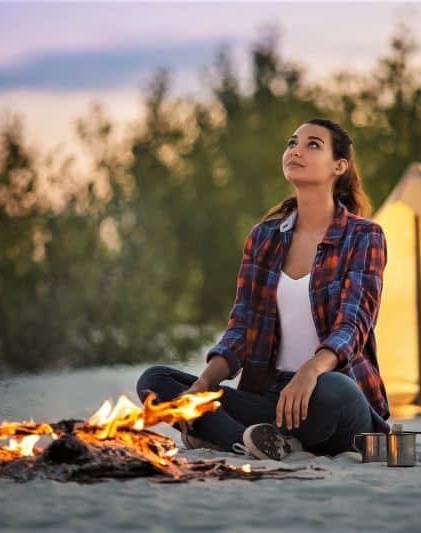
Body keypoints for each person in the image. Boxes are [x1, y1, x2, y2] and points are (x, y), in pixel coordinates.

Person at [136, 118, 391, 461]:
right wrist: (204, 384)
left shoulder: (364, 236)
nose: (295, 151)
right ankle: (248, 440)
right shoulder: (264, 237)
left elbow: (353, 326)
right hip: (270, 401)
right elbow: (241, 327)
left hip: (332, 397)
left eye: (312, 145)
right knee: (156, 381)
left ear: (339, 166)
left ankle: (218, 433)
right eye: (291, 143)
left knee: (332, 391)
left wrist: (310, 371)